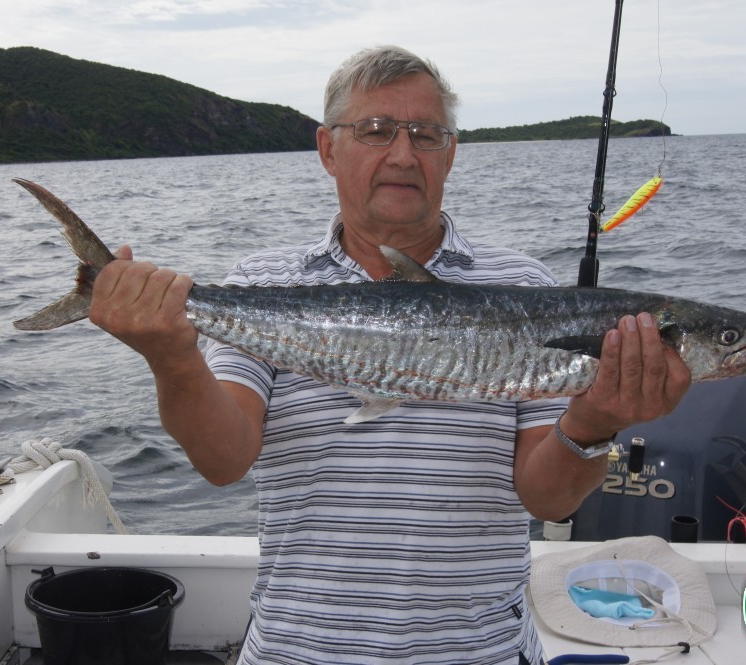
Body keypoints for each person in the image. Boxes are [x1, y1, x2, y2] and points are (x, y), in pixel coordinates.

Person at [89, 46, 691, 665]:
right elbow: (224, 459)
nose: (403, 154)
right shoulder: (263, 279)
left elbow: (549, 500)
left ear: (450, 153)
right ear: (328, 149)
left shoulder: (530, 290)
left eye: (426, 135)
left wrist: (595, 423)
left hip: (478, 652)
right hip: (298, 652)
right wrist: (172, 357)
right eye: (375, 131)